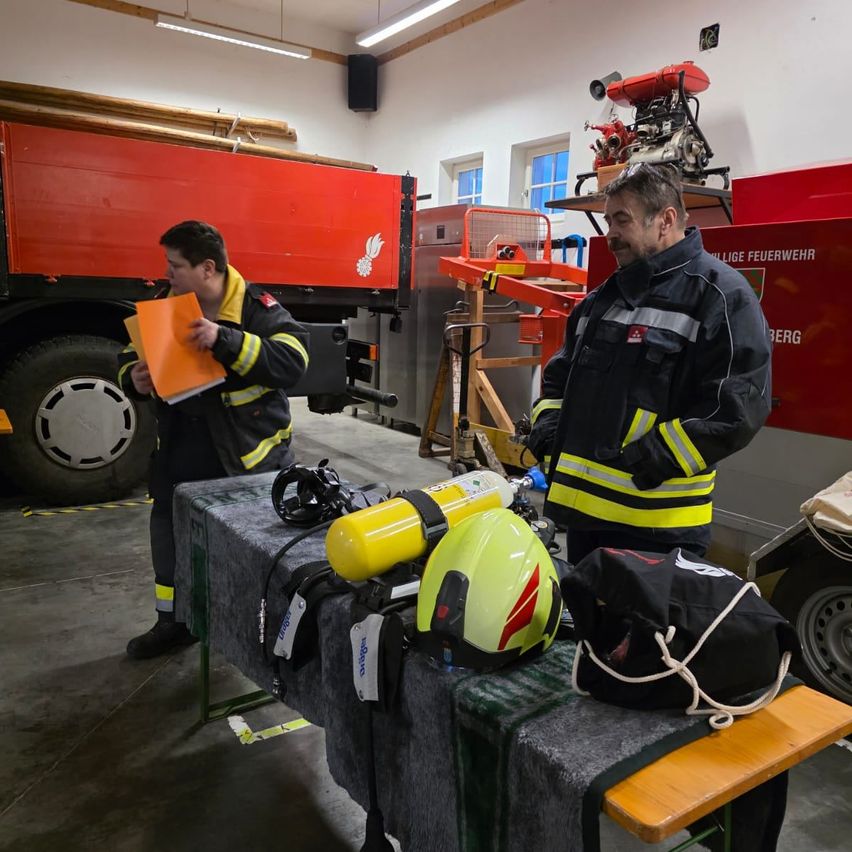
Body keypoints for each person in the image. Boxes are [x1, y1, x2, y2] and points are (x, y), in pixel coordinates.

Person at [527, 163, 772, 565]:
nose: (610, 234)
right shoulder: (601, 300)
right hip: (583, 520)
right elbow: (559, 378)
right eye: (609, 220)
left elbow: (738, 408)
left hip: (657, 529)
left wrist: (647, 461)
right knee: (585, 607)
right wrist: (549, 431)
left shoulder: (721, 297)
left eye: (622, 219)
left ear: (666, 220)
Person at [118, 221, 309, 659]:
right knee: (169, 542)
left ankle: (255, 631)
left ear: (207, 268)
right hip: (179, 452)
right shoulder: (166, 306)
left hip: (246, 460)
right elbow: (129, 355)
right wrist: (133, 377)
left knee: (249, 554)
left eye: (175, 265)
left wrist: (224, 339)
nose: (167, 273)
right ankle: (173, 623)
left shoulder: (257, 308)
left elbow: (294, 360)